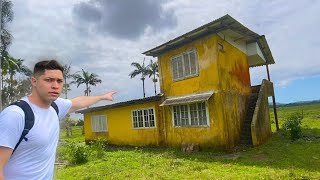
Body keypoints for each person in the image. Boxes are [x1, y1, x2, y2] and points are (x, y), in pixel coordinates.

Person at [0, 60, 116, 180]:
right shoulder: (15, 115)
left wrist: (102, 97)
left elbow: (79, 102)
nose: (55, 85)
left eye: (59, 81)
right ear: (34, 81)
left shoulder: (55, 106)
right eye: (49, 80)